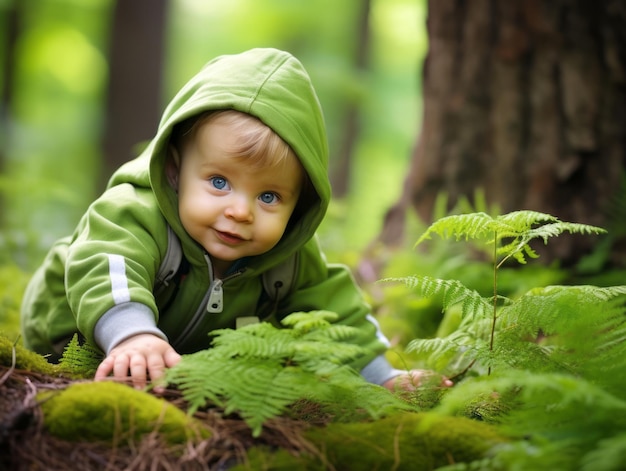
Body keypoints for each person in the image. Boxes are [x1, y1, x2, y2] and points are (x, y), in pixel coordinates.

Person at [20, 48, 452, 392]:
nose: (241, 211)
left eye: (268, 196)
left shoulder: (288, 259)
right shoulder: (134, 213)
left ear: (299, 205)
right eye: (220, 182)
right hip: (67, 341)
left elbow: (339, 312)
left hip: (171, 365)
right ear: (174, 170)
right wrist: (131, 334)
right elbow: (106, 266)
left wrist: (384, 377)